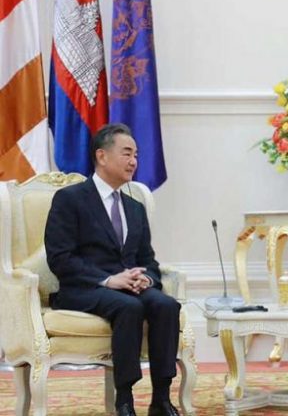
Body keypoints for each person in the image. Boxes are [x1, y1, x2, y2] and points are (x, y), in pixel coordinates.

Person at [45, 123, 181, 416]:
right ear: (102, 156)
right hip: (84, 288)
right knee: (128, 307)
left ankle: (161, 399)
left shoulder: (134, 207)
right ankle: (125, 400)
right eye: (127, 153)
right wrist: (108, 280)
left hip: (129, 286)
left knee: (166, 305)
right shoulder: (70, 199)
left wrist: (146, 278)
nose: (134, 161)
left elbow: (148, 259)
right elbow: (60, 258)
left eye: (136, 155)